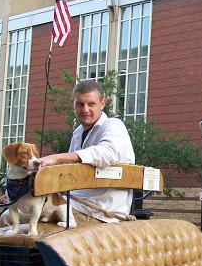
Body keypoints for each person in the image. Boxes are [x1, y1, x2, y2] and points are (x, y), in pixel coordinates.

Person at [37, 79, 136, 225]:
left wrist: (57, 158)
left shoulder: (114, 125)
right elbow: (66, 171)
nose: (85, 110)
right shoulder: (78, 132)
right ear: (73, 105)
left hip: (99, 211)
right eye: (80, 104)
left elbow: (107, 153)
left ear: (102, 103)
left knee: (19, 215)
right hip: (73, 204)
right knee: (10, 211)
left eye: (91, 104)